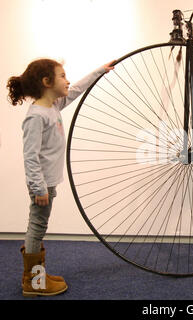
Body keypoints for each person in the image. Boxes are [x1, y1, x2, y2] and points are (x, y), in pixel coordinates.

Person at [6, 58, 115, 297]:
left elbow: (75, 90)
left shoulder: (52, 106)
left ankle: (37, 274)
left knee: (38, 226)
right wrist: (39, 188)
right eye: (62, 76)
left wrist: (99, 71)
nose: (68, 81)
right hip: (41, 184)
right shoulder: (36, 116)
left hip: (47, 182)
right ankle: (34, 282)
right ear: (47, 82)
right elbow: (30, 156)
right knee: (36, 227)